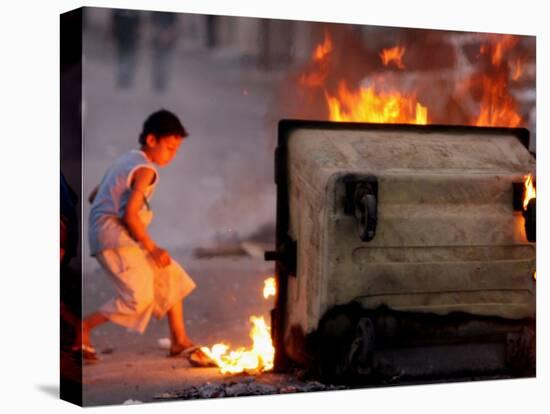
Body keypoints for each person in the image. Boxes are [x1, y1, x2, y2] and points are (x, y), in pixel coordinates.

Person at [78, 109, 196, 360]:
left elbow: (93, 195)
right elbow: (130, 215)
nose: (172, 155)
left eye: (176, 149)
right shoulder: (145, 170)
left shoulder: (126, 160)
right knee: (138, 298)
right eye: (169, 148)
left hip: (112, 234)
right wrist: (152, 248)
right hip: (113, 239)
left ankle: (179, 340)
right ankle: (82, 328)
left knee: (169, 272)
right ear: (152, 140)